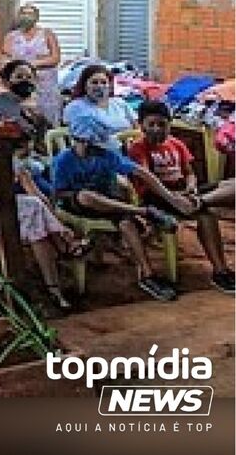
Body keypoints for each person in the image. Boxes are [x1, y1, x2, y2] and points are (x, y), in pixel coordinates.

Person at [51, 115, 197, 302]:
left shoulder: (106, 155)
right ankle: (144, 212)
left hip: (112, 203)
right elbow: (58, 194)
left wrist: (170, 197)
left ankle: (147, 275)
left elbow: (141, 172)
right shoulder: (63, 161)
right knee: (86, 196)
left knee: (127, 224)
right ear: (83, 141)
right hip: (76, 203)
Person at [0, 138, 89, 311]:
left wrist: (53, 217)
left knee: (38, 230)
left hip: (12, 217)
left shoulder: (18, 168)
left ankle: (54, 291)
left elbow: (40, 197)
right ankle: (65, 243)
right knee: (32, 207)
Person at [127, 101, 235, 294]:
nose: (156, 129)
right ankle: (220, 270)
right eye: (151, 125)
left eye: (162, 124)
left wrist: (191, 187)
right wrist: (173, 197)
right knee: (206, 215)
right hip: (158, 196)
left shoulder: (177, 144)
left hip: (185, 192)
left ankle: (199, 201)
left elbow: (190, 172)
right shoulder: (137, 148)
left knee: (231, 184)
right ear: (141, 125)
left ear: (170, 124)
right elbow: (147, 179)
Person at [2, 4, 63, 126]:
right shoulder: (11, 36)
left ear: (37, 17)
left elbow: (55, 58)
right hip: (21, 85)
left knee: (47, 121)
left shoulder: (47, 34)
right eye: (23, 13)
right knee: (23, 119)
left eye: (30, 13)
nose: (27, 16)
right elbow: (5, 58)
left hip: (46, 87)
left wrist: (31, 64)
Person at [62, 64, 136, 152]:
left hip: (128, 152)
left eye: (104, 82)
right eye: (94, 82)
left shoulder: (119, 103)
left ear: (110, 85)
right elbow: (82, 136)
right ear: (85, 85)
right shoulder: (75, 107)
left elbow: (136, 127)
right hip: (93, 155)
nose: (100, 86)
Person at [0, 59, 48, 141]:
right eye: (19, 77)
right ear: (6, 82)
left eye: (29, 77)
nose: (25, 80)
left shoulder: (42, 102)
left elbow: (49, 134)